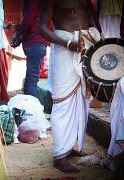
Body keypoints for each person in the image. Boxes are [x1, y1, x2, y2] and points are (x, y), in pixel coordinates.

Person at [40, 0, 101, 173]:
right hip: (65, 46)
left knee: (82, 98)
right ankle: (59, 156)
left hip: (87, 43)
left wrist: (99, 38)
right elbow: (42, 28)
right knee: (63, 100)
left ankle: (69, 146)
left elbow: (89, 15)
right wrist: (68, 44)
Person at [10, 0, 53, 98]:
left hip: (35, 41)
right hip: (37, 42)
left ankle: (30, 107)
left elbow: (29, 19)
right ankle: (30, 107)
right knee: (32, 78)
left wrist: (18, 35)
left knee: (31, 78)